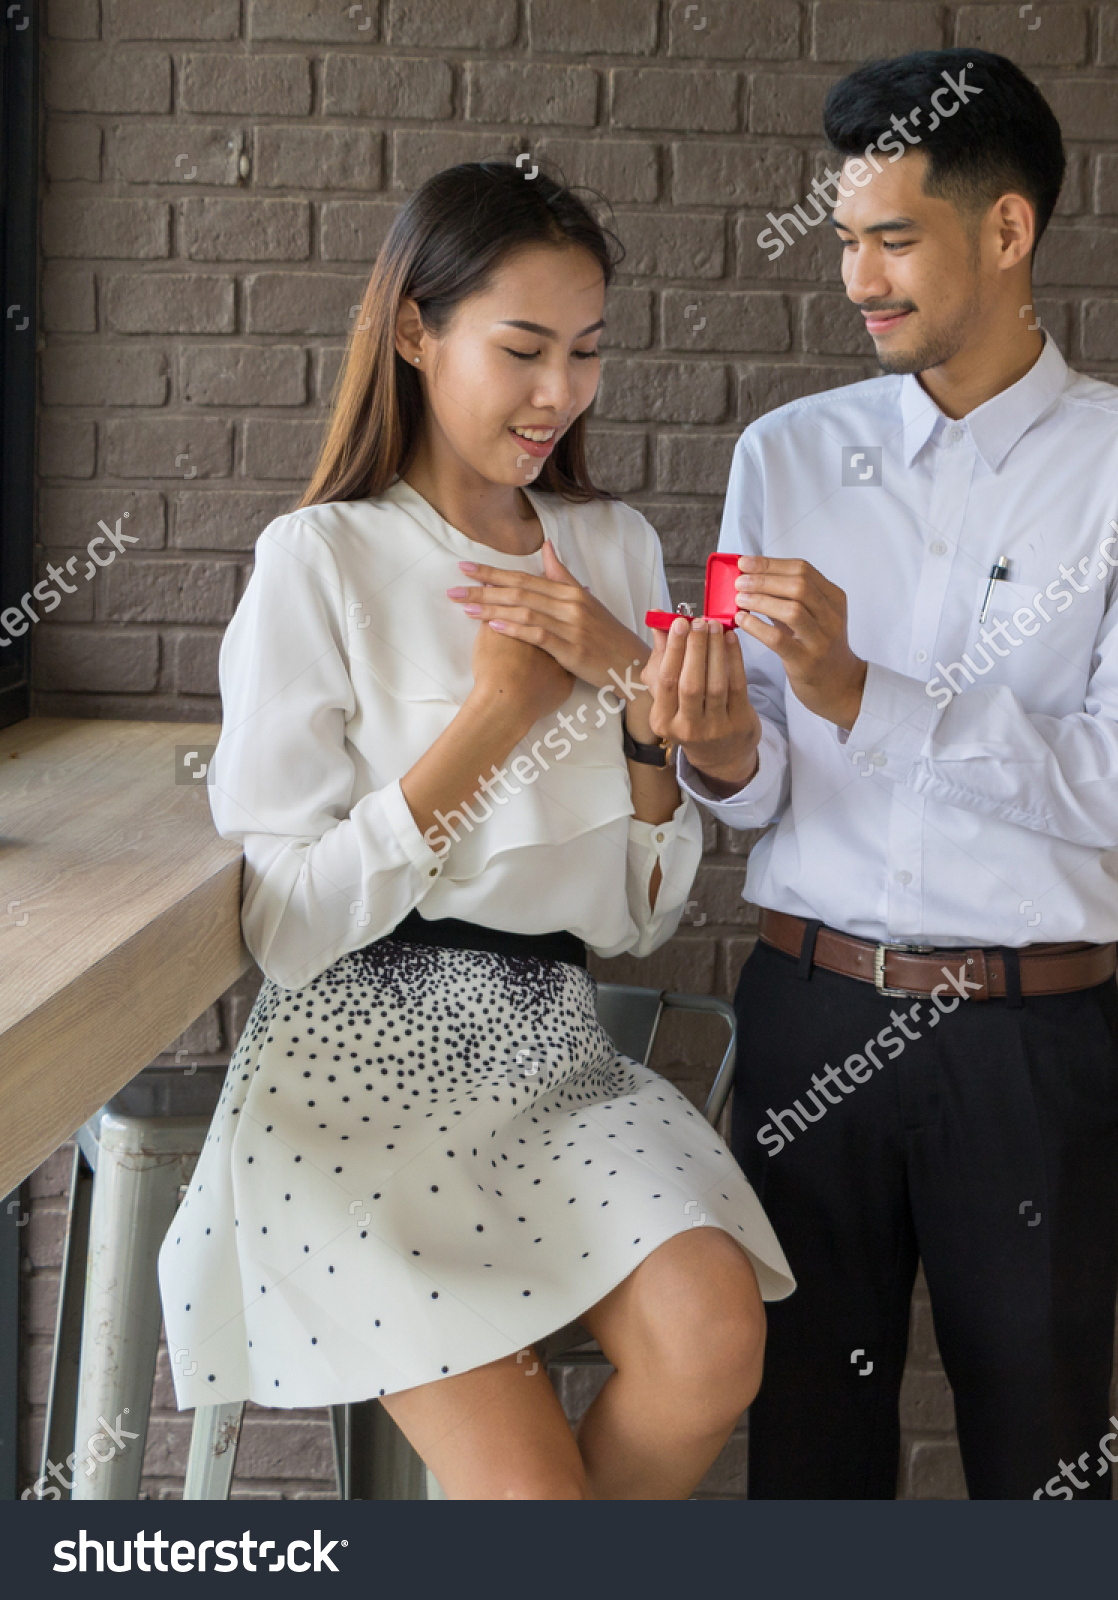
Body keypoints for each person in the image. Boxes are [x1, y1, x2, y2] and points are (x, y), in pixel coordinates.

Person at [156, 161, 794, 1502]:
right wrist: (491, 722)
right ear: (413, 333)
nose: (558, 393)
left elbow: (629, 917)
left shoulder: (610, 546)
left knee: (711, 1337)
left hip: (550, 1049)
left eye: (586, 352)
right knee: (528, 1506)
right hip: (351, 1076)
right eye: (521, 350)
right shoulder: (318, 560)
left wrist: (644, 733)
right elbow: (282, 924)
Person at [651, 50, 1118, 1499]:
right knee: (805, 1460)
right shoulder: (782, 455)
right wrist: (717, 747)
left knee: (1038, 1461)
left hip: (1023, 1050)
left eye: (892, 239)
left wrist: (868, 692)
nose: (856, 277)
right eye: (844, 238)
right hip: (800, 1014)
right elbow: (761, 781)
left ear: (1007, 230)